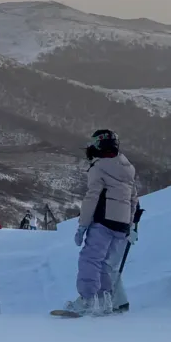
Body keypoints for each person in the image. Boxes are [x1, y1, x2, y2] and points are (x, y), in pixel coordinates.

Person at [65, 129, 138, 317]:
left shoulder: (98, 167)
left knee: (90, 259)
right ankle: (106, 300)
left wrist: (82, 225)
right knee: (107, 264)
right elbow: (133, 199)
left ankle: (87, 300)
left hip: (103, 221)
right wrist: (129, 225)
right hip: (122, 225)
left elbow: (92, 197)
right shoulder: (128, 168)